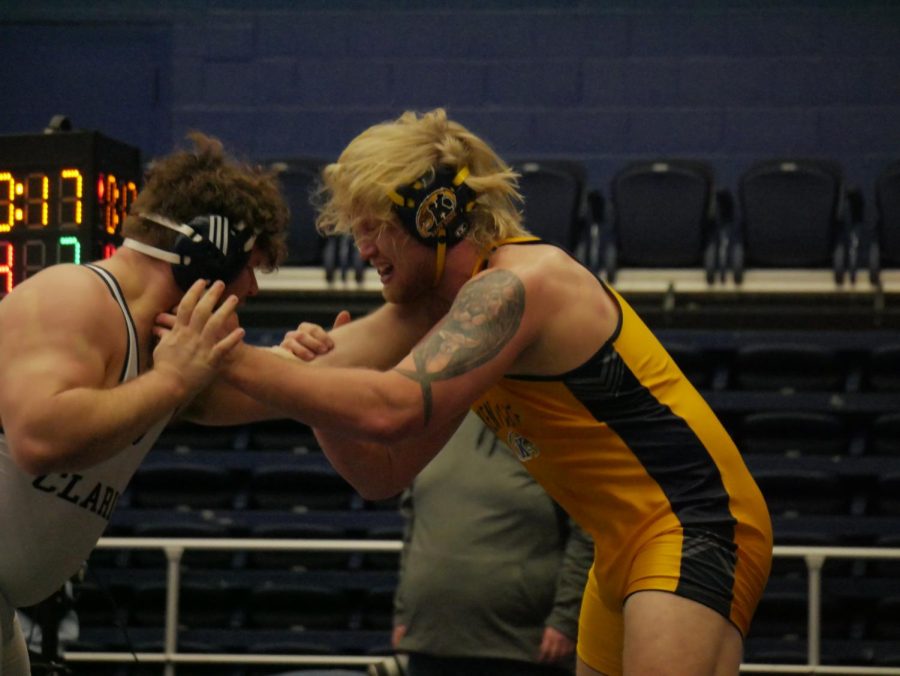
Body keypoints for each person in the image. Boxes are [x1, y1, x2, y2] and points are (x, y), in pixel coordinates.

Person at [212, 108, 773, 676]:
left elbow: (392, 410)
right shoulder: (441, 308)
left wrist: (236, 359)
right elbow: (378, 474)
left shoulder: (517, 285)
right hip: (620, 544)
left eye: (374, 226)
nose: (363, 251)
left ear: (434, 215)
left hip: (696, 521)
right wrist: (167, 365)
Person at [0, 131, 289, 675]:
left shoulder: (168, 351)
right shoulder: (72, 296)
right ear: (208, 249)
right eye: (249, 265)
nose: (252, 288)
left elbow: (312, 385)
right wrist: (172, 383)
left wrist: (302, 356)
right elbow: (40, 438)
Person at [392, 411, 593, 676]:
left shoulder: (556, 421)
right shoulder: (437, 423)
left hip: (522, 649)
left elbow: (588, 532)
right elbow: (415, 524)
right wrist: (405, 612)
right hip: (431, 641)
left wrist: (567, 620)